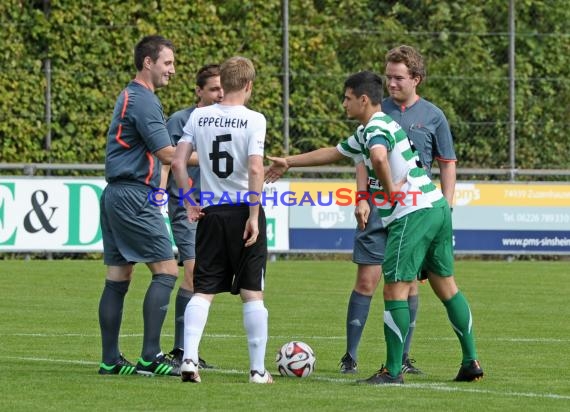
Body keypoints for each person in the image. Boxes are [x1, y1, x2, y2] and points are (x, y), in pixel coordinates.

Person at [266, 71, 483, 384]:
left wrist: (389, 191)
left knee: (394, 288)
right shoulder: (375, 126)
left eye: (347, 98)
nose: (343, 104)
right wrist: (288, 161)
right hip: (435, 206)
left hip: (413, 213)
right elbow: (335, 153)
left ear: (363, 99)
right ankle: (470, 361)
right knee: (446, 286)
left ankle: (392, 371)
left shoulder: (376, 128)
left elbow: (379, 158)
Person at [341, 45, 458, 375]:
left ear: (416, 79)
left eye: (398, 77)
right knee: (367, 279)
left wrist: (447, 206)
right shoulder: (376, 110)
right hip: (378, 207)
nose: (390, 83)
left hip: (412, 209)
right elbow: (363, 158)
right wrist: (361, 197)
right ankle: (350, 356)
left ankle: (401, 359)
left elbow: (447, 164)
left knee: (408, 283)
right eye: (388, 77)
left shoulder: (433, 116)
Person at [171, 56, 272, 384]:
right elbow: (256, 168)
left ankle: (188, 360)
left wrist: (188, 200)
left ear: (223, 84)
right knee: (252, 292)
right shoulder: (255, 119)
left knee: (202, 291)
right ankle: (257, 371)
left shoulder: (199, 116)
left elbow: (177, 163)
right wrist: (254, 216)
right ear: (248, 85)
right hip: (244, 209)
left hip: (211, 213)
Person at [97, 35, 180, 377]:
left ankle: (110, 360)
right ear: (148, 62)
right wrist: (220, 160)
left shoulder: (129, 94)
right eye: (168, 63)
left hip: (116, 193)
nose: (172, 70)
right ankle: (150, 356)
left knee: (119, 276)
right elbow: (167, 154)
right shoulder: (144, 100)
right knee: (168, 270)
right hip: (134, 194)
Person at [161, 64, 224, 370]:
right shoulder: (180, 119)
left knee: (203, 280)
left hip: (214, 207)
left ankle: (186, 350)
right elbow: (170, 158)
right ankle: (181, 350)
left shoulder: (227, 121)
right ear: (198, 91)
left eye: (222, 89)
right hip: (185, 204)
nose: (219, 95)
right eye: (213, 89)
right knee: (194, 273)